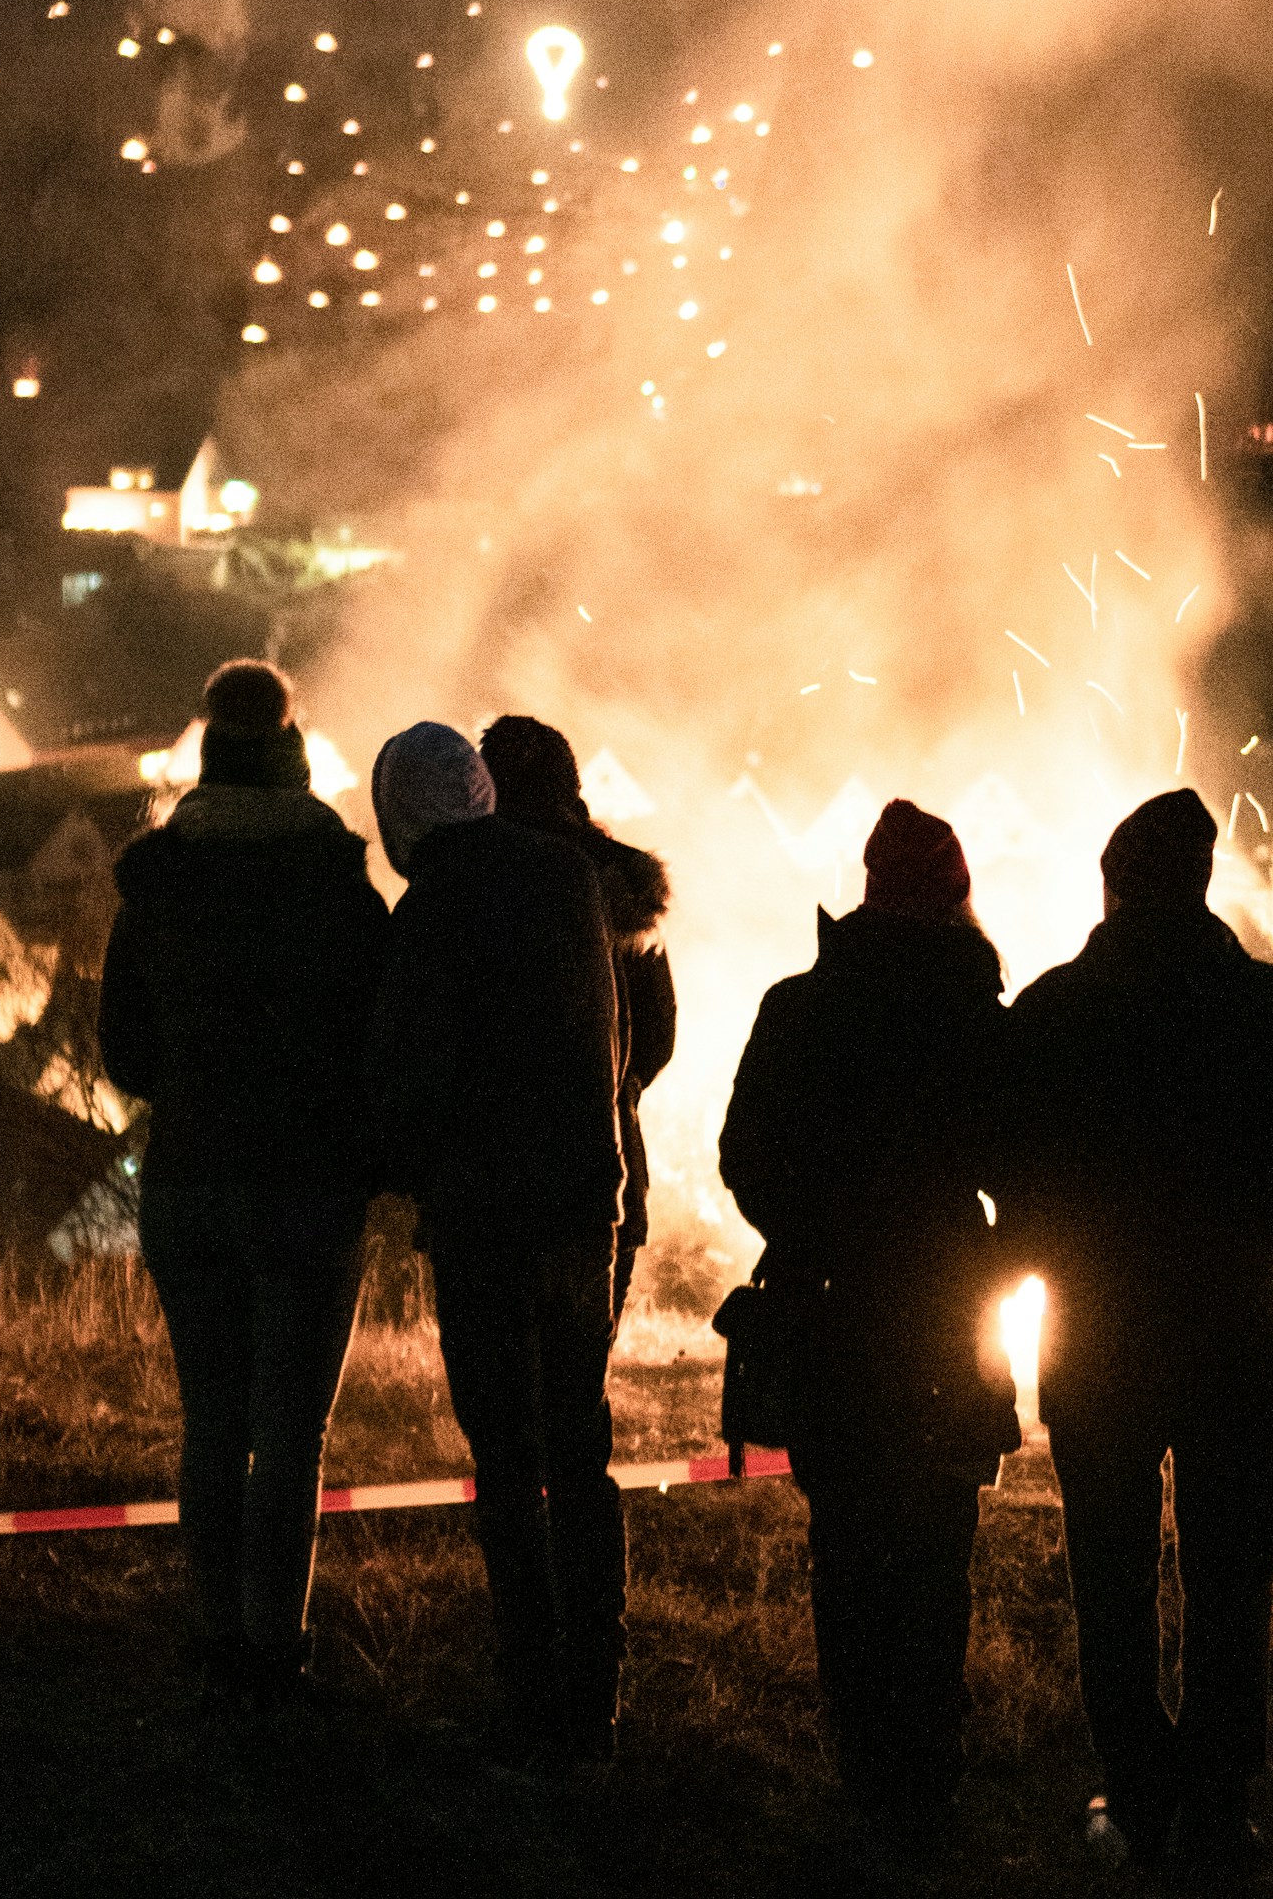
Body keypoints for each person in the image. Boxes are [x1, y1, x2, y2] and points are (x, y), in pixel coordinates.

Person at [1000, 787, 1273, 1876]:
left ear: (1111, 886)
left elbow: (1009, 1178)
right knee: (1231, 1581)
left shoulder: (1054, 1013)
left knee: (1110, 1574)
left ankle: (1137, 1787)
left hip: (1099, 1340)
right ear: (1201, 886)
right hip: (1238, 1342)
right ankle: (1218, 1799)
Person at [719, 800, 1021, 1844]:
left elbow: (745, 1159)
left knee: (846, 1542)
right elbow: (1016, 1165)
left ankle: (864, 1765)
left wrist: (813, 1233)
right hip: (944, 1311)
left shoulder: (797, 1007)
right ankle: (925, 1772)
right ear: (950, 892)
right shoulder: (980, 1013)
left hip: (830, 1312)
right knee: (938, 1545)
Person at [98, 658, 389, 1705]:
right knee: (291, 1432)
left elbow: (123, 1054)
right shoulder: (337, 886)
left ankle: (216, 1635)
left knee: (213, 1422)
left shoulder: (159, 887)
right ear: (293, 762)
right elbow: (382, 1042)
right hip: (308, 1183)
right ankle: (277, 1643)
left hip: (190, 1181)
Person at [366, 720, 628, 1763]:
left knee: (511, 1467)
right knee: (583, 1449)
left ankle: (534, 1698)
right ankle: (598, 1695)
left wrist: (395, 1161)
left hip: (486, 1221)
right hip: (583, 1209)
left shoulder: (433, 911)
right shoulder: (570, 880)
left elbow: (408, 1074)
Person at [479, 714, 677, 1327]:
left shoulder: (465, 882)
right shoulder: (621, 887)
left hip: (484, 1183)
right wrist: (617, 1090)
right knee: (578, 1392)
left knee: (501, 1399)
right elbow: (658, 1036)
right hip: (600, 1175)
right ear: (571, 787)